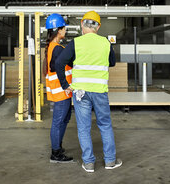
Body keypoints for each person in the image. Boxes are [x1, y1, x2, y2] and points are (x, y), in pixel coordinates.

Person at [55, 11, 122, 173]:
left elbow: (59, 62)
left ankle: (89, 162)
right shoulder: (106, 43)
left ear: (82, 25)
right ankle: (110, 161)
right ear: (98, 27)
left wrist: (65, 85)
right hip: (99, 91)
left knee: (83, 128)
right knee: (105, 125)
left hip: (80, 93)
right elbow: (112, 63)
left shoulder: (75, 43)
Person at [43, 13, 74, 163]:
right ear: (59, 30)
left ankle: (58, 147)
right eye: (64, 28)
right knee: (58, 121)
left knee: (63, 120)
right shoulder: (57, 49)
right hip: (62, 91)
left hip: (62, 92)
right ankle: (55, 153)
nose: (65, 30)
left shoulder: (53, 47)